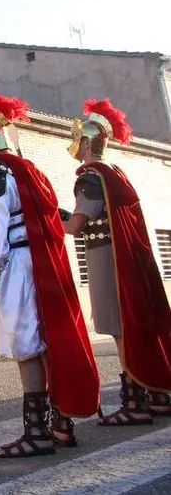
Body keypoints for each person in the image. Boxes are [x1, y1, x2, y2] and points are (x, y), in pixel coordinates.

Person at [0, 93, 100, 457]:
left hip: (16, 268)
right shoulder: (29, 170)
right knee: (45, 343)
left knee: (26, 350)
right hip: (41, 266)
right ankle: (60, 424)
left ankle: (37, 432)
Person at [60, 98, 171, 423]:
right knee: (135, 325)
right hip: (122, 258)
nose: (74, 146)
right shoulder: (114, 174)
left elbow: (77, 226)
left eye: (77, 139)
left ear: (85, 142)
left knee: (119, 328)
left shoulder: (90, 177)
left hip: (104, 257)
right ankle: (158, 396)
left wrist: (46, 217)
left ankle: (134, 404)